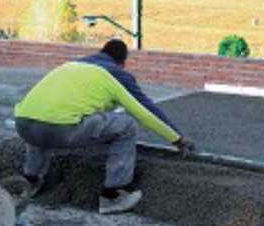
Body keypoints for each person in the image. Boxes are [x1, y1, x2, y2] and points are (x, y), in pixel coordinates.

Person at [14, 39, 193, 214]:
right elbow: (144, 112)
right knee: (127, 126)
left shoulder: (69, 67)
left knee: (45, 118)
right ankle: (113, 195)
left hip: (23, 125)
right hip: (63, 131)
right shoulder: (113, 76)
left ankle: (29, 183)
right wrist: (176, 138)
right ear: (121, 63)